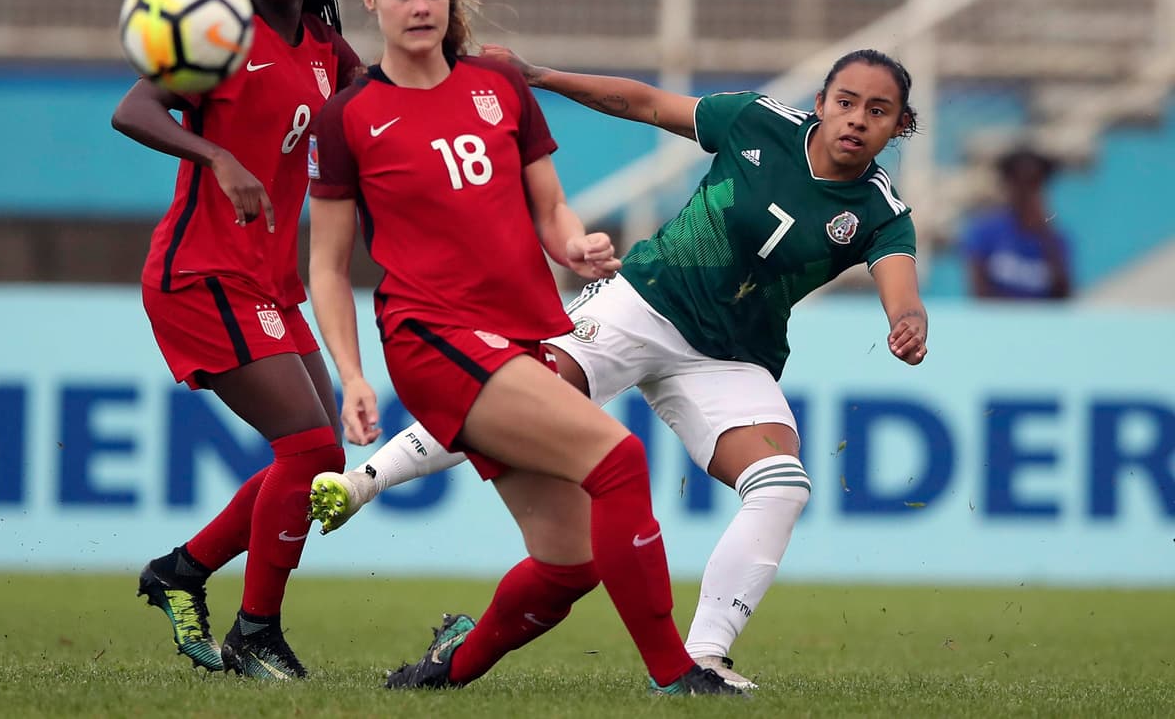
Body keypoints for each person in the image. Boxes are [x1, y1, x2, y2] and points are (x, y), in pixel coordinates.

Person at [309, 46, 930, 690]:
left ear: (899, 126)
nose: (857, 119)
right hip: (642, 304)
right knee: (520, 389)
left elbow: (901, 286)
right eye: (846, 102)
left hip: (727, 360)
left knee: (782, 485)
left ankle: (705, 658)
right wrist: (544, 77)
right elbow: (645, 103)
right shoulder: (759, 120)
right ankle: (363, 482)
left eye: (878, 111)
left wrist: (907, 322)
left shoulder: (882, 213)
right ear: (822, 102)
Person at [306, 0, 742, 697]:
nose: (420, 5)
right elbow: (329, 266)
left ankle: (443, 671)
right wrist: (351, 373)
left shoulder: (498, 88)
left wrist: (575, 245)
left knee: (569, 562)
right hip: (432, 337)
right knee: (620, 460)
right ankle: (676, 673)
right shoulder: (349, 116)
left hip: (516, 334)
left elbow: (551, 210)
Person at [110, 0, 362, 679]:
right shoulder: (220, 36)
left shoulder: (326, 47)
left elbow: (376, 109)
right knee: (311, 443)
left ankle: (182, 569)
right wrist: (217, 155)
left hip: (269, 282)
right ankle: (256, 631)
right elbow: (134, 109)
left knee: (320, 460)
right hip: (201, 274)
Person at [962, 146, 1072, 299]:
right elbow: (979, 293)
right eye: (1020, 182)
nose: (1026, 191)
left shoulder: (1056, 239)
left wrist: (1045, 235)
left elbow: (1064, 296)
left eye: (1034, 183)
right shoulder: (984, 231)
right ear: (1007, 184)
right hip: (996, 321)